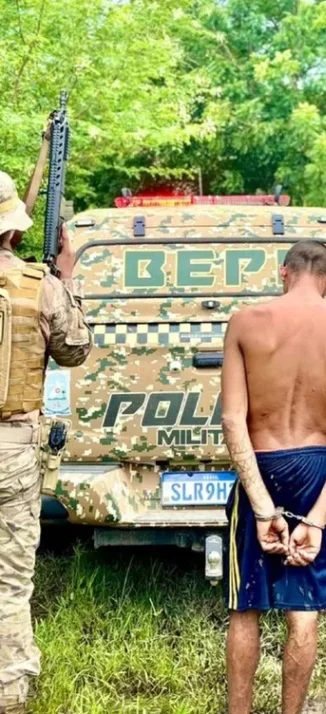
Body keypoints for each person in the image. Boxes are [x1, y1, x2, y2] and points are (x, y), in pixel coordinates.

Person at [220, 239, 326, 714]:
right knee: (303, 608)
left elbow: (232, 421)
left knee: (245, 605)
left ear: (283, 272)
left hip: (260, 464)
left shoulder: (245, 323)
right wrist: (318, 518)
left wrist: (262, 504)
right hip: (316, 469)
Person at [0, 170, 91, 714]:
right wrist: (67, 277)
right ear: (13, 230)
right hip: (12, 448)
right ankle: (7, 692)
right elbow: (75, 350)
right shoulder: (40, 287)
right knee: (9, 581)